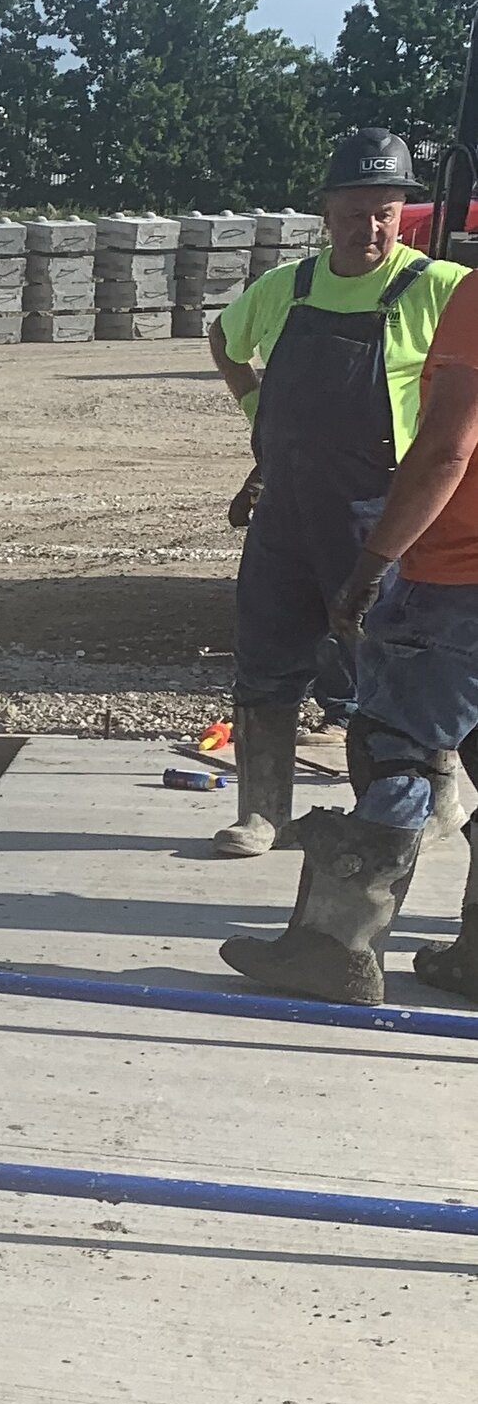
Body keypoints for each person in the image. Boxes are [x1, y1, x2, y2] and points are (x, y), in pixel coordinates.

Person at [205, 129, 465, 856]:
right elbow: (224, 341)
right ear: (326, 212)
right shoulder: (286, 288)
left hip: (380, 515)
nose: (371, 227)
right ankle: (263, 813)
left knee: (393, 668)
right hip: (284, 514)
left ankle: (424, 804)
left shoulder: (439, 288)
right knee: (265, 659)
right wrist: (257, 412)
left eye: (386, 212)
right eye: (355, 212)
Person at [222, 269, 478, 1004]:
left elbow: (446, 447)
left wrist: (373, 563)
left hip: (458, 578)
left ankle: (337, 947)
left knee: (395, 747)